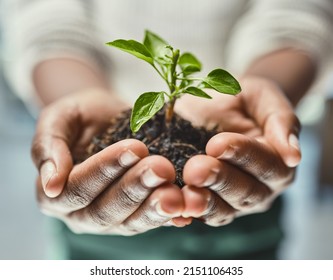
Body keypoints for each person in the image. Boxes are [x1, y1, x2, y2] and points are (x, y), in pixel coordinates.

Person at [1, 0, 333, 259]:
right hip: (98, 199)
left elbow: (298, 13)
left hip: (244, 177)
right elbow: (46, 19)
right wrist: (74, 97)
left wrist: (264, 87)